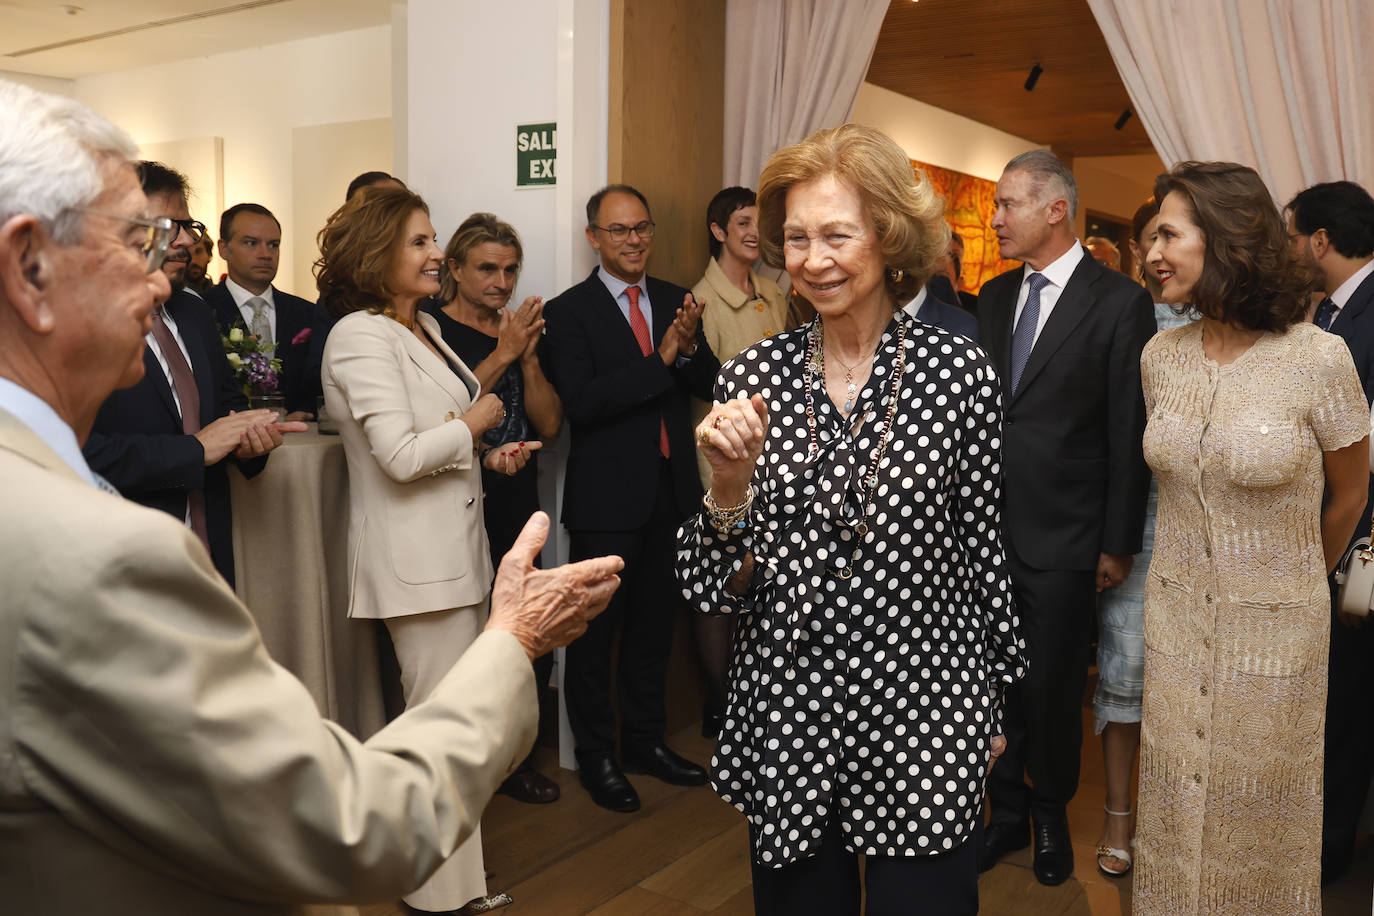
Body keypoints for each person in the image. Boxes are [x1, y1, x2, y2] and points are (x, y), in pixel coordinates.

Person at [0, 76, 622, 916]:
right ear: (30, 265)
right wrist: (513, 645)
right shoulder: (103, 556)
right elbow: (350, 829)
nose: (163, 282)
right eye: (139, 243)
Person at [677, 123, 1025, 916]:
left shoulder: (955, 369)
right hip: (793, 705)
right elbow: (710, 585)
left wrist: (993, 702)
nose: (813, 259)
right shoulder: (754, 374)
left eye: (837, 234)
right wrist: (728, 489)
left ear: (889, 237)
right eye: (797, 238)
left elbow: (981, 547)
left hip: (925, 703)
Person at [1134, 161, 1370, 915]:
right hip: (1175, 628)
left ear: (1226, 237)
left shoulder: (1316, 358)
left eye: (1168, 233)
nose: (1150, 253)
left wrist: (1298, 579)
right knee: (1173, 808)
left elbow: (1354, 486)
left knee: (1258, 819)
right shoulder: (1159, 359)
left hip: (1277, 642)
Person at [318, 186, 542, 916]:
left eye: (432, 239)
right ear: (375, 253)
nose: (434, 252)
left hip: (457, 555)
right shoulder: (358, 335)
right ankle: (435, 895)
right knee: (441, 728)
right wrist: (477, 424)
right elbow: (400, 455)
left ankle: (455, 886)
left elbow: (439, 433)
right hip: (416, 566)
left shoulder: (418, 329)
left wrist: (485, 458)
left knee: (461, 725)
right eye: (418, 241)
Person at [975, 149, 1156, 886]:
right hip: (984, 531)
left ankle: (1050, 817)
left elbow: (1127, 428)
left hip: (1068, 533)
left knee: (1050, 686)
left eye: (1008, 204)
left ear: (1056, 209)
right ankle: (1004, 813)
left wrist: (1116, 543)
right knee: (991, 683)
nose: (995, 220)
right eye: (995, 206)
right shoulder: (989, 296)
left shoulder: (1118, 301)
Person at [542, 184, 720, 813]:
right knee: (594, 638)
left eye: (641, 227)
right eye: (619, 231)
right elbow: (585, 406)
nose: (634, 240)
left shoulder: (675, 299)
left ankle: (644, 742)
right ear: (594, 238)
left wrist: (689, 347)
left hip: (672, 498)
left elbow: (709, 382)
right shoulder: (569, 314)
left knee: (652, 632)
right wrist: (664, 355)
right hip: (607, 502)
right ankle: (596, 757)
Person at [82, 161, 303, 588]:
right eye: (167, 226)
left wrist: (249, 438)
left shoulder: (193, 310)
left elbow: (224, 403)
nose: (185, 241)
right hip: (125, 558)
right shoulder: (82, 324)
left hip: (208, 549)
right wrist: (194, 451)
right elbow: (82, 454)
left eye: (188, 225)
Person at [424, 211, 563, 804]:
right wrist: (504, 353)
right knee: (460, 637)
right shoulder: (427, 331)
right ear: (453, 268)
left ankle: (516, 759)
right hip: (450, 501)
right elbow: (439, 417)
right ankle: (465, 765)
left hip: (515, 501)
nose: (500, 283)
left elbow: (550, 426)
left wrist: (527, 356)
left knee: (523, 631)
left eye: (509, 270)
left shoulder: (521, 331)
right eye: (486, 269)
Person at [1091, 196, 1192, 879]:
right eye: (1147, 240)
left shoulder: (1248, 329)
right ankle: (1119, 814)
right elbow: (1109, 439)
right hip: (1143, 520)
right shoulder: (1131, 319)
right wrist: (1115, 536)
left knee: (1193, 688)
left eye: (1170, 237)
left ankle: (1181, 819)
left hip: (1208, 529)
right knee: (1125, 677)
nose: (1155, 254)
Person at [1285, 179, 1374, 885]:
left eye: (1292, 235)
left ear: (1319, 241)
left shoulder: (1366, 315)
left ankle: (1327, 852)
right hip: (1338, 533)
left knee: (1344, 706)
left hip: (1359, 544)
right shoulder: (1337, 313)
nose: (1289, 250)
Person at [688, 185, 788, 737]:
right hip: (729, 465)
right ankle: (723, 704)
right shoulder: (703, 300)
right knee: (726, 574)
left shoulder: (774, 293)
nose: (754, 232)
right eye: (743, 222)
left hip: (783, 460)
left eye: (760, 223)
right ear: (718, 231)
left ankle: (759, 697)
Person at [206, 202, 316, 417]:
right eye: (251, 243)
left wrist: (305, 410)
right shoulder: (202, 311)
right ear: (224, 249)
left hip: (299, 438)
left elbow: (319, 381)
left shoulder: (306, 313)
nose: (265, 254)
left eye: (274, 245)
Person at [185, 232, 215, 297]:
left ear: (209, 255)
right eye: (187, 254)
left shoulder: (222, 296)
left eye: (198, 252)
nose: (193, 261)